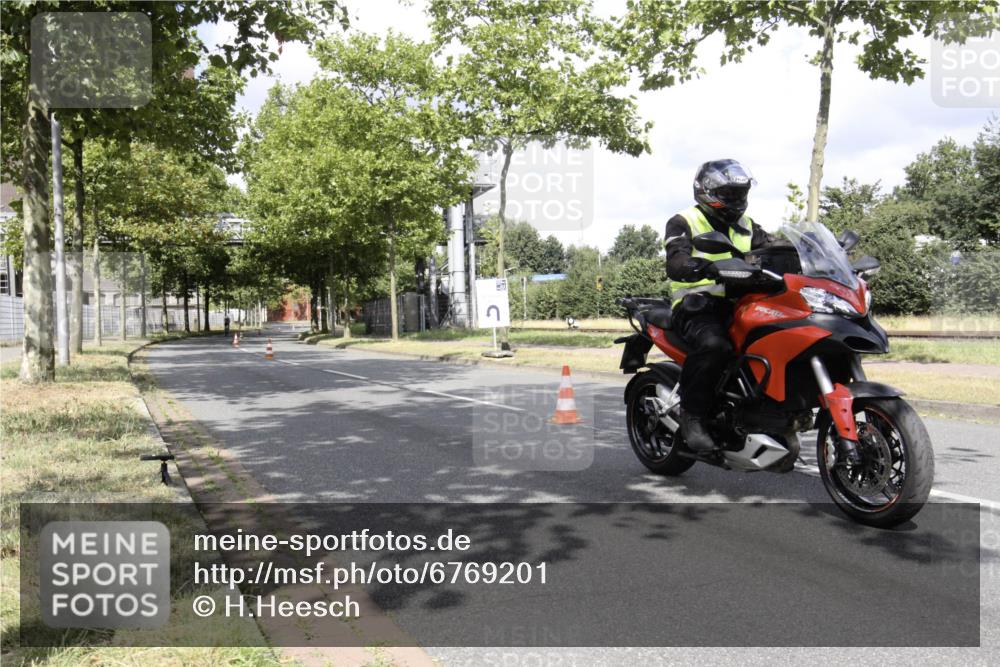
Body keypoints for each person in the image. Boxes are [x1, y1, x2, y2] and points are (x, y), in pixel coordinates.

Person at [664, 159, 772, 452]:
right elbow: (675, 260)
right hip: (696, 307)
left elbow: (776, 249)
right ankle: (693, 415)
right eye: (730, 194)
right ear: (708, 191)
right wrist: (702, 266)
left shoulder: (748, 226)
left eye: (740, 193)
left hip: (742, 305)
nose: (737, 200)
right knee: (716, 346)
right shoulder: (684, 221)